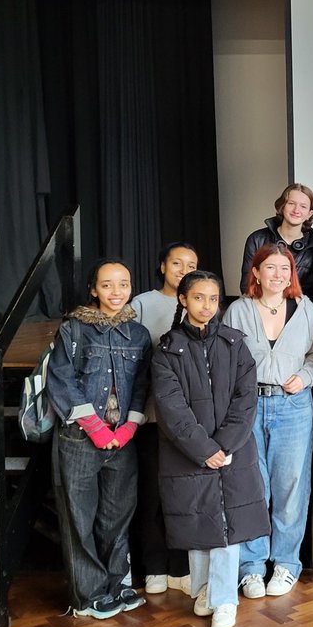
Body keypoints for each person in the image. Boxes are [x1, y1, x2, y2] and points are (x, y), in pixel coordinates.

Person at [152, 270, 267, 627]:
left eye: (213, 299)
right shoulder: (167, 351)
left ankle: (224, 599)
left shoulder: (235, 344)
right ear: (183, 300)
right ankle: (204, 591)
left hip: (233, 451)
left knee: (228, 525)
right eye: (198, 297)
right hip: (187, 453)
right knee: (197, 520)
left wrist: (225, 445)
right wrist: (203, 449)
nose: (207, 306)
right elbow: (171, 408)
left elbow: (246, 400)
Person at [46, 258, 151, 619]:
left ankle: (117, 585)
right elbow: (61, 381)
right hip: (79, 439)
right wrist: (96, 429)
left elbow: (142, 385)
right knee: (79, 518)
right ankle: (89, 595)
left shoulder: (138, 335)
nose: (116, 292)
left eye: (123, 284)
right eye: (107, 285)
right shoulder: (74, 330)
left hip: (122, 441)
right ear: (93, 289)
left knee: (117, 517)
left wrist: (127, 429)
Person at [223, 243, 313, 599]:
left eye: (285, 269)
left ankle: (285, 564)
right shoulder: (237, 311)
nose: (278, 275)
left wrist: (306, 377)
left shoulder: (306, 309)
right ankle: (251, 567)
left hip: (293, 406)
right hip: (248, 408)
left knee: (291, 488)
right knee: (252, 487)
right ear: (256, 272)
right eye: (270, 267)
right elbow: (225, 360)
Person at [129, 241, 198, 596]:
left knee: (183, 495)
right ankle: (154, 566)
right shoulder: (142, 304)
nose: (183, 270)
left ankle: (180, 567)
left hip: (189, 423)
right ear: (162, 266)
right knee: (152, 494)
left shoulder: (199, 302)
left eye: (191, 265)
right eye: (176, 263)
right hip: (152, 417)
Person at [240, 183, 313, 305]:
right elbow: (247, 285)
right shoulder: (257, 239)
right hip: (261, 306)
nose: (296, 210)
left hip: (300, 309)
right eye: (291, 203)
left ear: (309, 214)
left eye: (303, 206)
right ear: (282, 206)